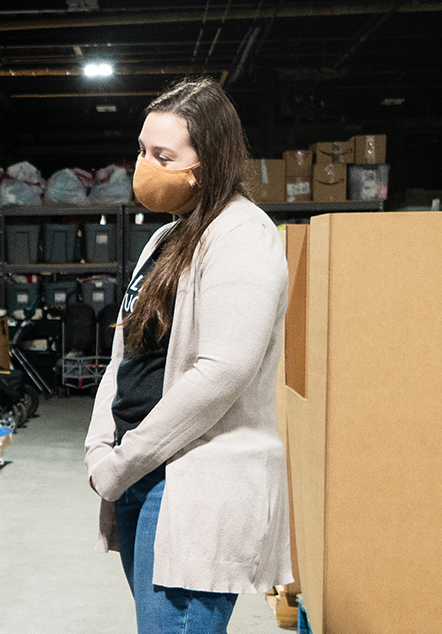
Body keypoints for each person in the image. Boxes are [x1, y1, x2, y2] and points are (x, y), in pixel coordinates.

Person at [84, 78, 294, 634]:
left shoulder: (243, 236)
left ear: (210, 160)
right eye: (141, 150)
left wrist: (126, 459)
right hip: (141, 474)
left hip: (192, 477)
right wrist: (100, 444)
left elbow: (223, 371)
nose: (145, 165)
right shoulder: (166, 239)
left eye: (163, 156)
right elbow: (125, 354)